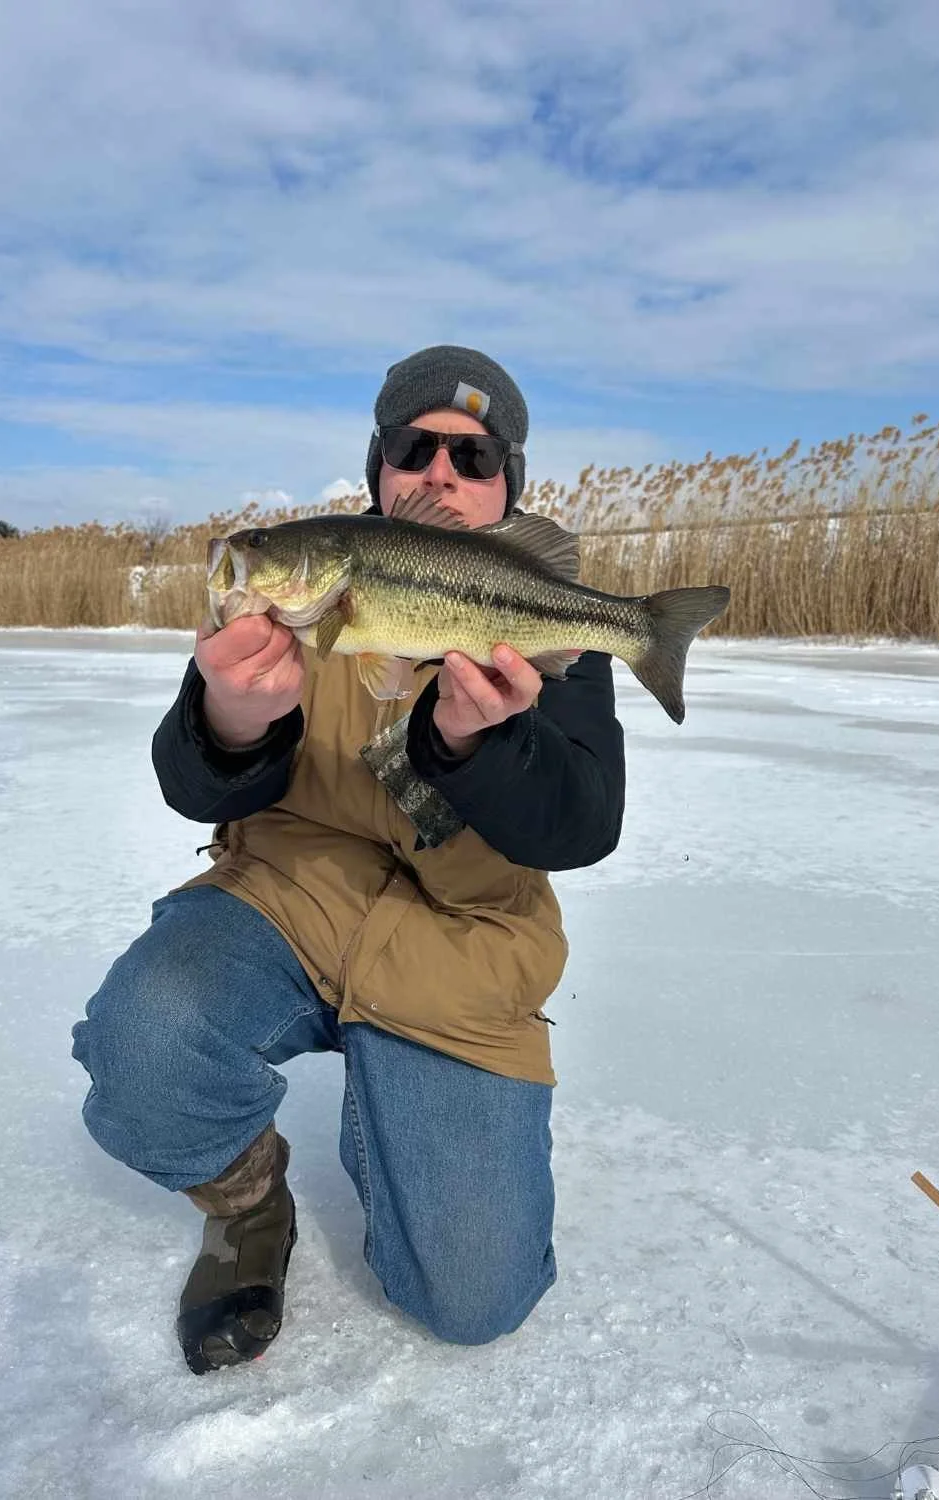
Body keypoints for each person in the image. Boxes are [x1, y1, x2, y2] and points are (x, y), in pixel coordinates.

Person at [71, 345, 626, 1375]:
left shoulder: (548, 624)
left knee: (471, 1301)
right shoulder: (300, 595)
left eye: (475, 457)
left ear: (511, 482)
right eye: (415, 448)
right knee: (144, 1037)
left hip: (462, 941)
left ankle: (403, 1114)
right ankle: (248, 1208)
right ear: (378, 464)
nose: (441, 476)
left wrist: (476, 744)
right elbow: (196, 787)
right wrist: (230, 719)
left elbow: (580, 826)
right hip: (285, 900)